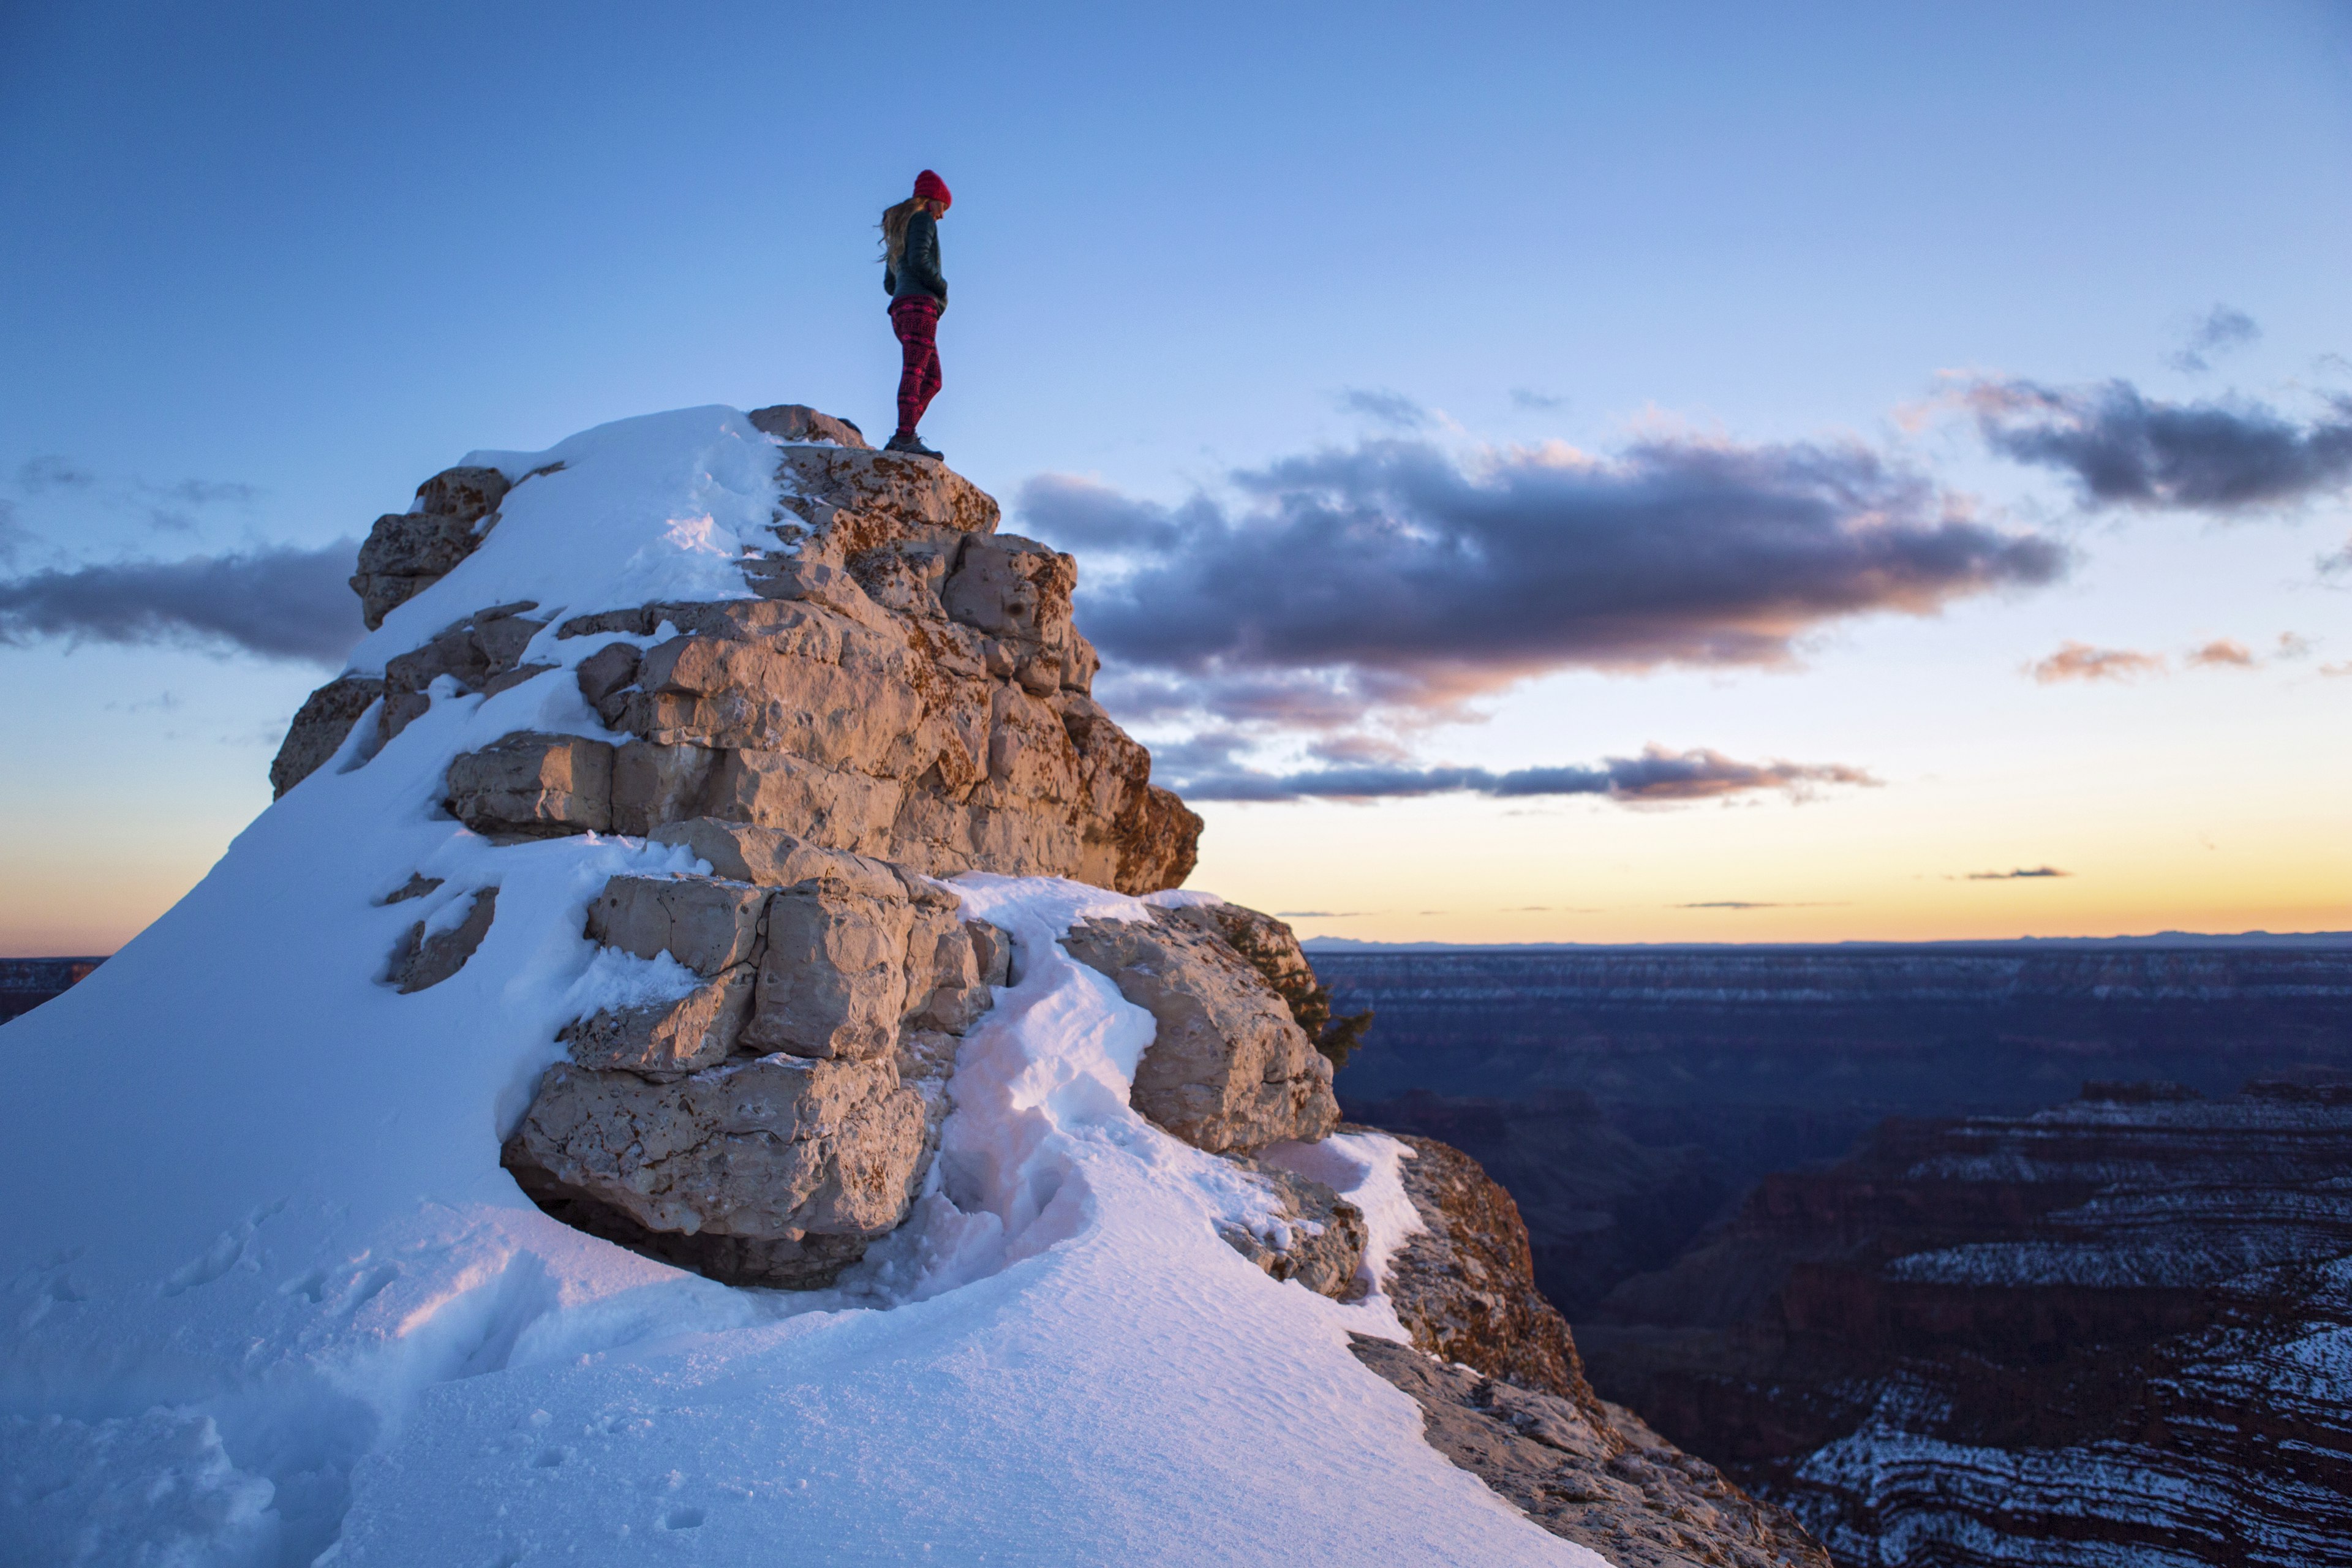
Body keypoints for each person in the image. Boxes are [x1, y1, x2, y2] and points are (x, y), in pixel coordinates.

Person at [880, 170, 951, 458]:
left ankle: (903, 434)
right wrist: (942, 285)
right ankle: (905, 438)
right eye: (943, 207)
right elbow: (920, 260)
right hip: (920, 306)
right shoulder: (922, 219)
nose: (942, 216)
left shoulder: (900, 228)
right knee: (916, 371)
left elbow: (889, 283)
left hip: (901, 308)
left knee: (932, 378)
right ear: (933, 200)